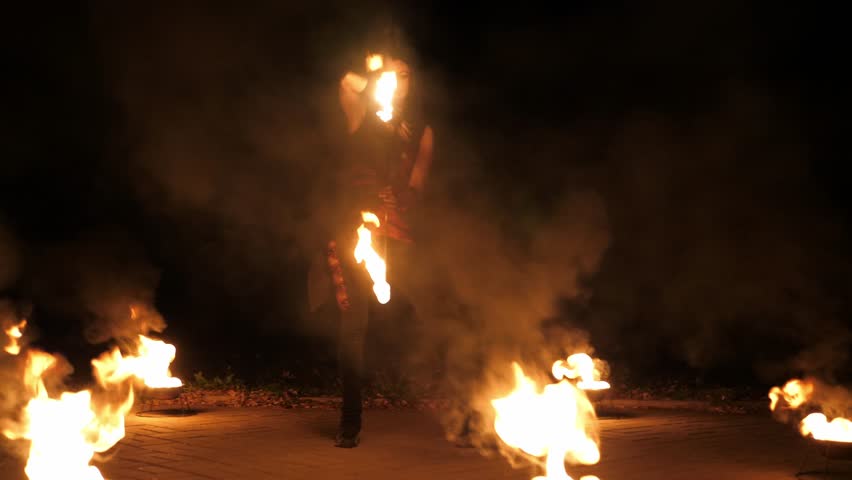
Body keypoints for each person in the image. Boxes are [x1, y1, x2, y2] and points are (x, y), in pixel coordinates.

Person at [309, 32, 434, 448]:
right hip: (351, 230)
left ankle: (467, 411)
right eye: (391, 73)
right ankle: (350, 421)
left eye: (406, 74)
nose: (399, 80)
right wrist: (377, 78)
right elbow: (346, 82)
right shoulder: (361, 116)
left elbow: (417, 185)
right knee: (353, 327)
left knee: (436, 310)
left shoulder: (421, 133)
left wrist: (396, 202)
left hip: (396, 232)